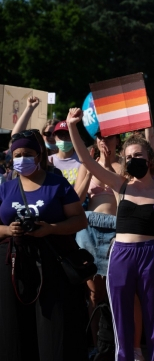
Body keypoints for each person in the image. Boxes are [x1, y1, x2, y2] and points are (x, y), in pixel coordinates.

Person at [66, 108, 154, 361]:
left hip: (151, 257)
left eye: (138, 155)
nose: (133, 160)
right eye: (128, 157)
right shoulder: (120, 184)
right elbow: (87, 160)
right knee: (122, 326)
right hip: (120, 257)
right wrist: (72, 127)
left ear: (149, 157)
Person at [0, 130, 88, 361]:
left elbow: (80, 220)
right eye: (17, 154)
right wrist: (9, 230)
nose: (21, 158)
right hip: (13, 268)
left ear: (38, 155)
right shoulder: (6, 187)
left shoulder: (57, 184)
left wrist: (50, 228)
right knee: (15, 332)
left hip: (52, 266)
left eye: (27, 153)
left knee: (53, 334)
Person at [48, 121, 81, 185]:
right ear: (54, 137)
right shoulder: (48, 161)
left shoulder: (82, 160)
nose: (64, 137)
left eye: (67, 134)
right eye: (60, 135)